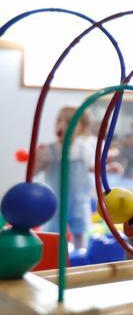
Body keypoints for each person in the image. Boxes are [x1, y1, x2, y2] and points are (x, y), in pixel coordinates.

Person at [35, 106, 96, 250]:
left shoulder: (84, 149)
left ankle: (79, 257)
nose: (61, 125)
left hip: (79, 200)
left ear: (82, 128)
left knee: (80, 233)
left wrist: (107, 168)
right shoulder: (49, 150)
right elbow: (32, 172)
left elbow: (90, 168)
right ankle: (54, 259)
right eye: (58, 120)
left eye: (69, 122)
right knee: (53, 235)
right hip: (55, 202)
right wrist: (37, 159)